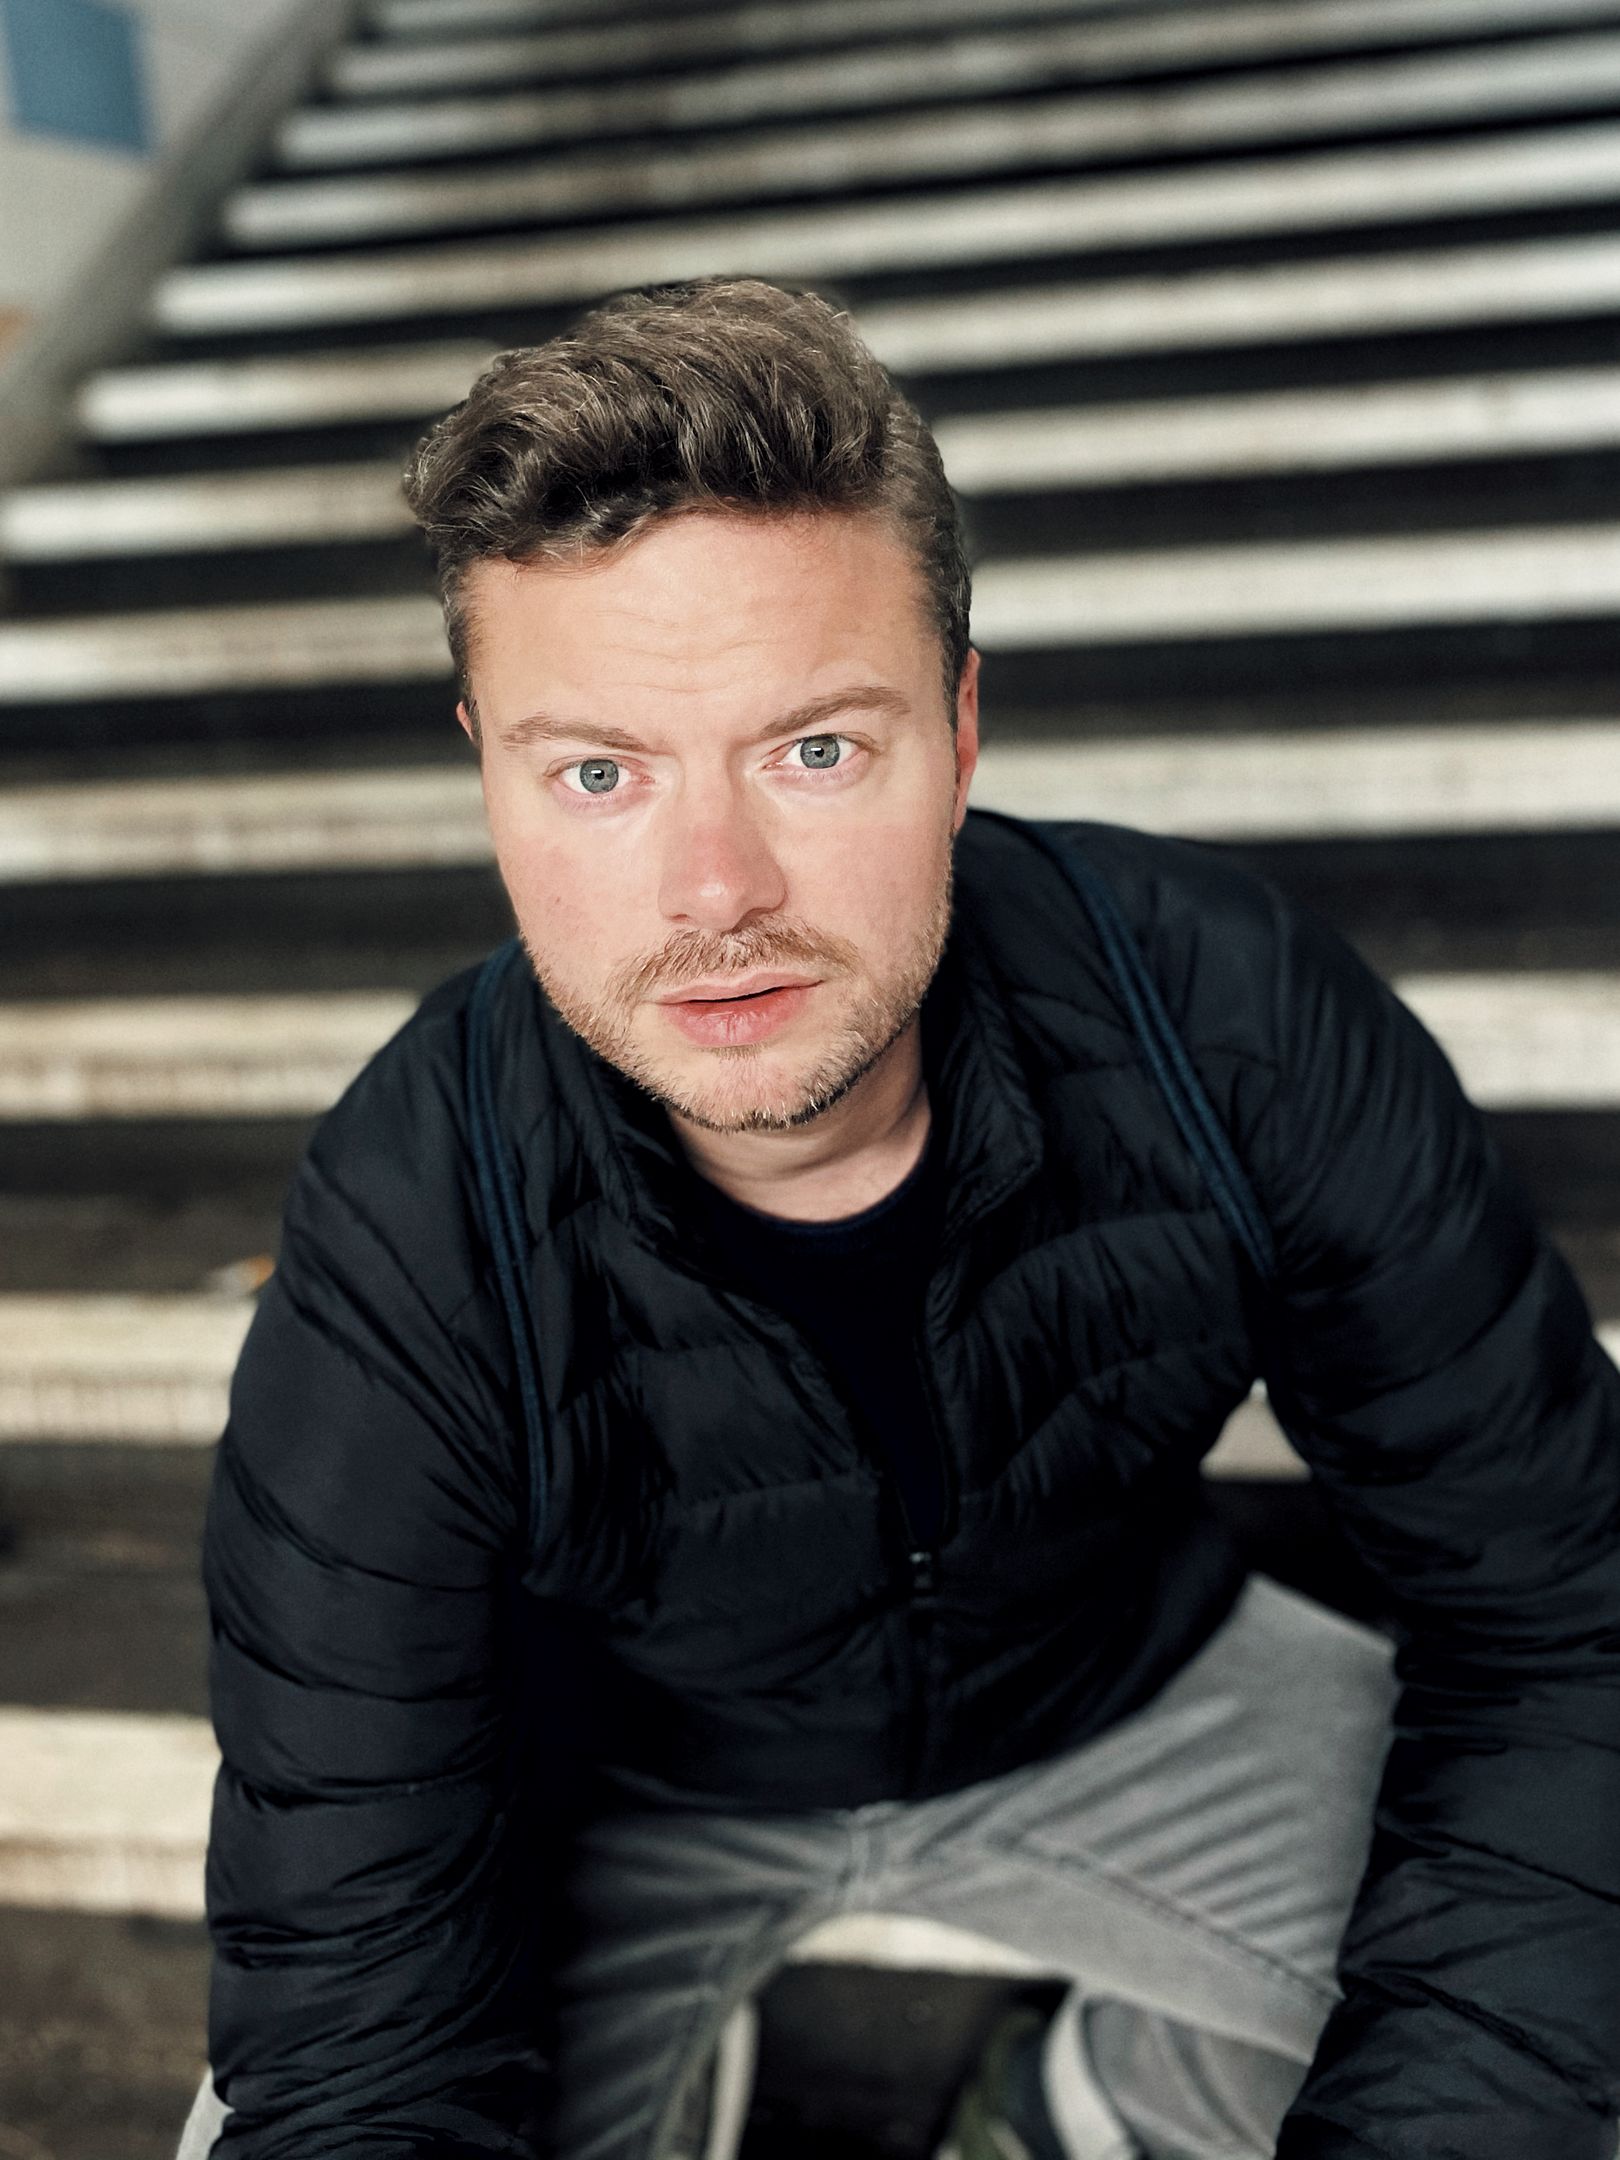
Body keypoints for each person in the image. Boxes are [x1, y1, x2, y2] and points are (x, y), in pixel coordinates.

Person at [177, 276, 1620, 2160]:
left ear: (959, 726)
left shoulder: (1223, 1019)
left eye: (816, 751)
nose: (716, 891)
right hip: (611, 1795)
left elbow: (1564, 1614)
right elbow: (348, 2021)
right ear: (489, 772)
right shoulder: (411, 1217)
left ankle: (1096, 2104)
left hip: (1122, 1693)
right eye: (599, 772)